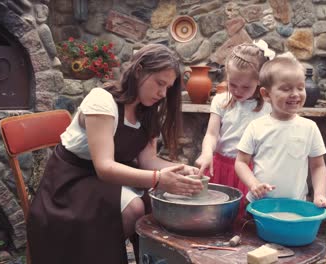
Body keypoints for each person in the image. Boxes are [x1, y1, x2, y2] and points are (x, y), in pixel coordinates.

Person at [27, 44, 203, 264]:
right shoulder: (102, 101)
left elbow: (147, 160)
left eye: (168, 87)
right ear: (139, 70)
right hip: (70, 182)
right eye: (160, 83)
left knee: (157, 203)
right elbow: (104, 166)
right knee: (135, 207)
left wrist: (180, 170)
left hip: (107, 180)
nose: (162, 93)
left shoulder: (148, 112)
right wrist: (159, 179)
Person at [234, 55, 326, 218]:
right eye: (286, 89)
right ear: (266, 94)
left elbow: (318, 166)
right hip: (260, 205)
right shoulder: (256, 127)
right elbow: (241, 162)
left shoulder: (309, 128)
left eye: (300, 87)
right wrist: (253, 184)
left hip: (295, 208)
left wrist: (320, 195)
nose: (295, 94)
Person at [194, 43, 272, 213]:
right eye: (233, 84)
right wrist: (207, 153)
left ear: (258, 82)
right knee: (214, 213)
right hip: (220, 166)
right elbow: (212, 134)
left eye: (246, 87)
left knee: (242, 215)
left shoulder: (268, 107)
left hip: (248, 172)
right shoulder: (220, 101)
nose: (238, 91)